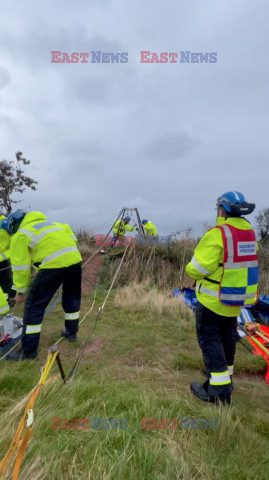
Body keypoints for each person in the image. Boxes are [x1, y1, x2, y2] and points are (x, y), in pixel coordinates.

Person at [185, 191, 258, 404]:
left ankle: (217, 392)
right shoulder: (249, 234)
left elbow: (197, 268)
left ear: (222, 210)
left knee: (209, 340)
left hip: (212, 300)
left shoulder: (218, 234)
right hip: (235, 300)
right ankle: (226, 381)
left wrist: (189, 267)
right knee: (227, 339)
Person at [2, 210, 82, 361]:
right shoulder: (53, 224)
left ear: (14, 226)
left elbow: (21, 267)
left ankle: (28, 353)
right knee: (71, 296)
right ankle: (71, 333)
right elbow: (71, 235)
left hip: (53, 265)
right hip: (74, 260)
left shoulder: (21, 235)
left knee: (33, 307)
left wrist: (20, 291)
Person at [0, 215, 16, 303]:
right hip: (4, 259)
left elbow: (12, 247)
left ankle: (10, 298)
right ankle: (4, 299)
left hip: (4, 260)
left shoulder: (7, 225)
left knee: (6, 280)